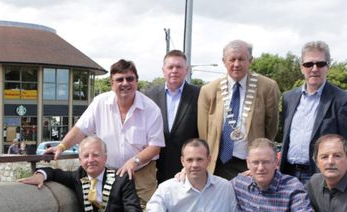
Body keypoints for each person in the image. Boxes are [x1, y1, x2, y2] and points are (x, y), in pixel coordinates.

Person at [46, 59, 164, 212]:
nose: (125, 83)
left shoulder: (150, 108)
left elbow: (155, 146)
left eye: (130, 79)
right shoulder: (100, 103)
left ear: (137, 81)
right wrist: (61, 147)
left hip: (141, 169)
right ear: (112, 83)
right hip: (108, 172)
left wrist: (134, 160)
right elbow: (81, 129)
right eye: (119, 80)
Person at [198, 40, 280, 179]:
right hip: (217, 165)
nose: (236, 64)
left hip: (251, 165)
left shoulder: (267, 87)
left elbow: (271, 127)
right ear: (224, 61)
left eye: (241, 59)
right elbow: (203, 130)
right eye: (232, 59)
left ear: (250, 60)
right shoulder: (208, 90)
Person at [280, 41, 347, 183]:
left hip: (320, 177)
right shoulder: (288, 97)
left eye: (320, 64)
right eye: (309, 64)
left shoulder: (341, 99)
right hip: (288, 174)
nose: (314, 69)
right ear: (301, 68)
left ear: (328, 66)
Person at [145, 50, 200, 183]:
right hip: (154, 166)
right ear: (163, 70)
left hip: (186, 166)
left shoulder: (199, 94)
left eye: (179, 67)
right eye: (170, 67)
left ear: (186, 70)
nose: (174, 70)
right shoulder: (149, 95)